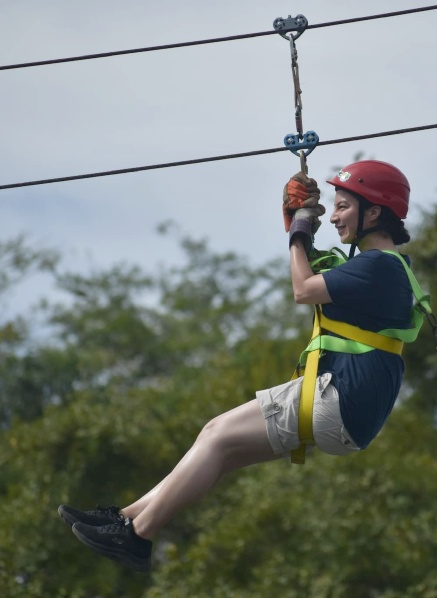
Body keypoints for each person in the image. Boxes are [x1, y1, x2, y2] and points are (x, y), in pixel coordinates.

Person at [58, 160, 417, 571]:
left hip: (337, 399)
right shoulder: (383, 268)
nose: (333, 216)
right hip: (349, 409)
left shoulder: (377, 265)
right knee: (221, 450)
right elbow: (318, 271)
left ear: (373, 213)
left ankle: (137, 535)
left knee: (215, 434)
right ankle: (126, 519)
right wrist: (299, 231)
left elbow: (303, 289)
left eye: (342, 206)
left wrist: (300, 229)